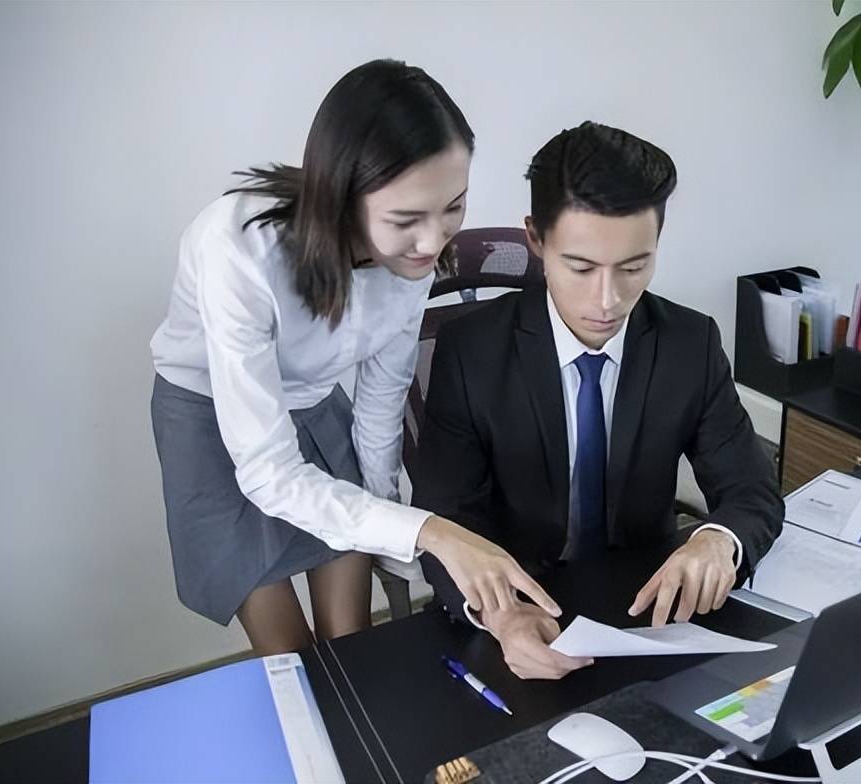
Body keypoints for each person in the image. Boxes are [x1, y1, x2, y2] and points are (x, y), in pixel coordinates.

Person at [149, 60, 557, 656]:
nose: (434, 240)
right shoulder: (237, 249)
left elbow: (382, 397)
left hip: (313, 403)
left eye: (454, 206)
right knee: (290, 654)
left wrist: (391, 520)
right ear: (340, 197)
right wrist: (430, 532)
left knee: (351, 642)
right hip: (208, 410)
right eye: (405, 219)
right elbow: (269, 472)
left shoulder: (417, 255)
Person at [413, 121, 782, 680]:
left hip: (649, 606)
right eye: (581, 268)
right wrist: (500, 614)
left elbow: (751, 488)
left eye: (634, 267)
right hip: (522, 606)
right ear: (535, 240)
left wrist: (716, 541)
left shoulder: (690, 343)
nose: (607, 300)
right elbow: (445, 515)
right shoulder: (472, 351)